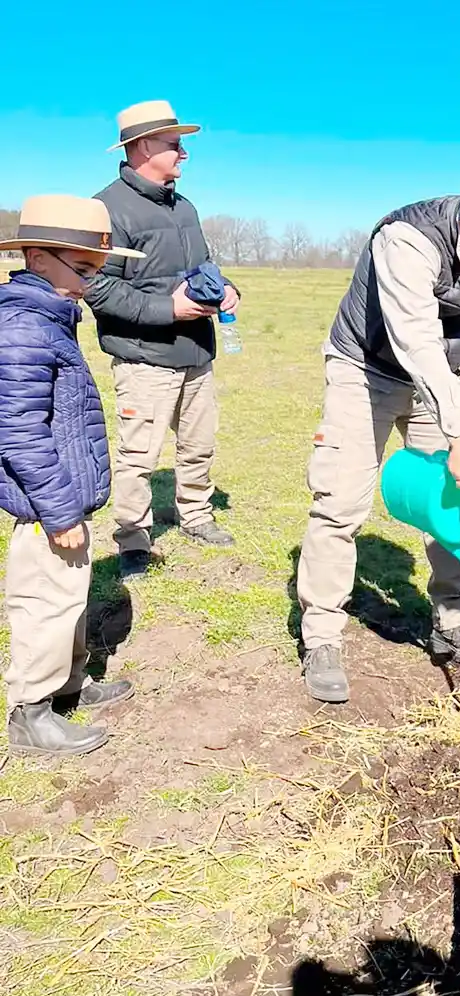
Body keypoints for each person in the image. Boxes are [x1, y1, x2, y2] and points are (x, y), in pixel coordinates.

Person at [296, 164, 460, 703]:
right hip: (367, 368)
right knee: (342, 499)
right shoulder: (406, 240)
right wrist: (459, 433)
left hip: (444, 380)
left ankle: (450, 615)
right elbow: (417, 343)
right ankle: (322, 635)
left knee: (453, 500)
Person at [0, 196, 144, 755]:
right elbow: (17, 432)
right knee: (46, 602)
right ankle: (31, 713)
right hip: (45, 509)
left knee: (72, 594)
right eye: (80, 270)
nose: (89, 284)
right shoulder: (22, 327)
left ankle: (69, 683)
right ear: (37, 257)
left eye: (94, 270)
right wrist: (59, 511)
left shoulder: (49, 315)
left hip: (63, 501)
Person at [85, 100, 240, 582]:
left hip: (196, 352)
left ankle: (195, 514)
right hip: (143, 359)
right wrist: (167, 310)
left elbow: (204, 268)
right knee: (139, 456)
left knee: (198, 444)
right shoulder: (105, 208)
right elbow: (97, 286)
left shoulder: (185, 207)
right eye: (175, 144)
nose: (184, 154)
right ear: (140, 147)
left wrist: (228, 289)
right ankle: (133, 539)